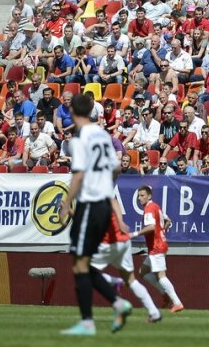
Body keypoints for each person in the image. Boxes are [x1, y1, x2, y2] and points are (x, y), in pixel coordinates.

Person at [57, 94, 130, 337]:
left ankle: (88, 322)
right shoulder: (102, 135)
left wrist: (66, 203)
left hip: (89, 205)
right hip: (102, 205)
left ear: (71, 111)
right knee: (82, 262)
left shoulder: (79, 139)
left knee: (79, 262)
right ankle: (117, 302)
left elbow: (78, 174)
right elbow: (116, 168)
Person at [89, 195, 160, 325]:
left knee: (84, 271)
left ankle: (115, 282)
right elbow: (113, 202)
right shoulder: (100, 196)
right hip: (124, 241)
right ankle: (154, 312)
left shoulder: (93, 195)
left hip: (110, 243)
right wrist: (120, 222)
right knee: (131, 281)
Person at [134, 185, 184, 315]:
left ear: (149, 196)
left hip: (156, 247)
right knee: (143, 272)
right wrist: (162, 232)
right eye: (139, 196)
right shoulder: (155, 206)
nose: (140, 198)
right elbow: (168, 220)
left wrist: (135, 234)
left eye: (142, 195)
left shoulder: (150, 208)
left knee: (161, 276)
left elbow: (151, 227)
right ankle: (165, 294)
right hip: (157, 245)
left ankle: (177, 302)